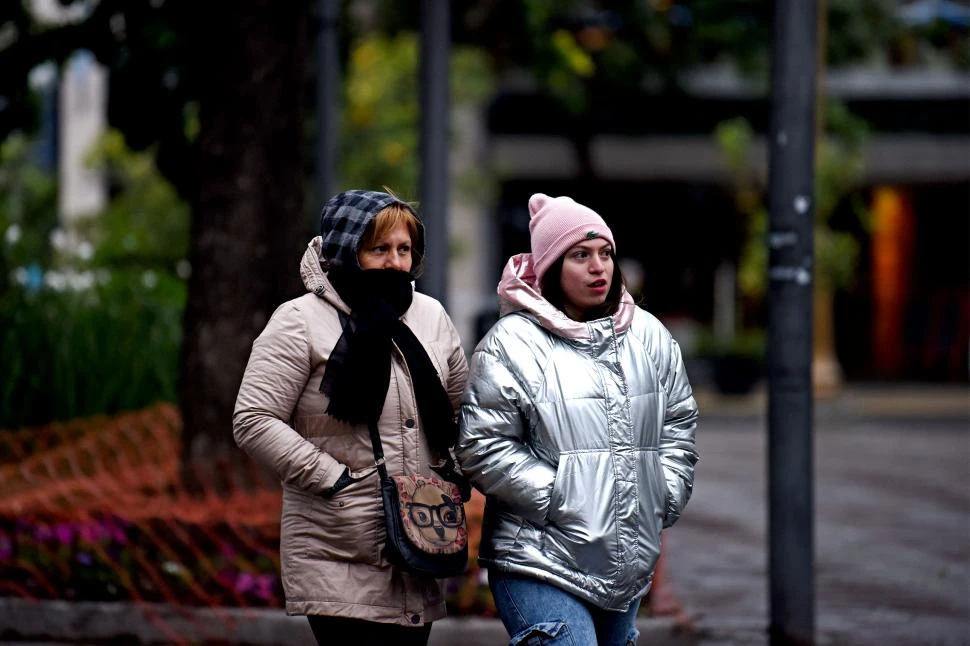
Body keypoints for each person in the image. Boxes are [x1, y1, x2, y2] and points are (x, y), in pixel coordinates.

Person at [456, 193, 699, 646]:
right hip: (538, 558)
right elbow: (481, 445)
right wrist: (563, 494)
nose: (598, 267)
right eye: (580, 255)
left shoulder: (648, 336)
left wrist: (662, 493)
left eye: (605, 253)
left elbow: (679, 422)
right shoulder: (512, 343)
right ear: (550, 267)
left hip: (623, 563)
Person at [233, 189, 469, 646]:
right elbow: (254, 418)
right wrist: (335, 478)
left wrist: (452, 473)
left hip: (419, 538)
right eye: (379, 249)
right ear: (346, 249)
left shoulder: (431, 316)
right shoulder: (299, 320)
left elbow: (460, 409)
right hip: (337, 540)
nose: (395, 262)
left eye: (404, 250)